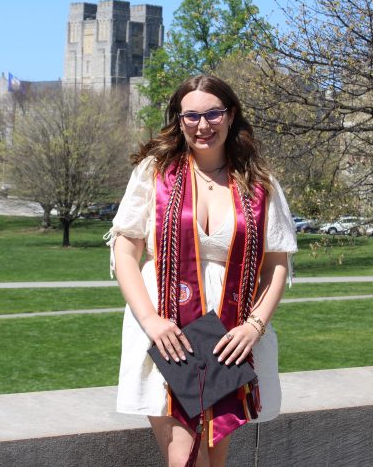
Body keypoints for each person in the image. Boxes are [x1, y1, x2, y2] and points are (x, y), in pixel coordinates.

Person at [106, 74, 297, 467]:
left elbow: (276, 264)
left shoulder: (259, 184)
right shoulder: (155, 174)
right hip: (167, 332)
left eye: (212, 113)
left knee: (213, 460)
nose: (202, 125)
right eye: (190, 115)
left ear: (231, 116)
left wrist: (253, 326)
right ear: (179, 120)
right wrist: (151, 321)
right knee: (187, 461)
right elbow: (126, 250)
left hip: (232, 337)